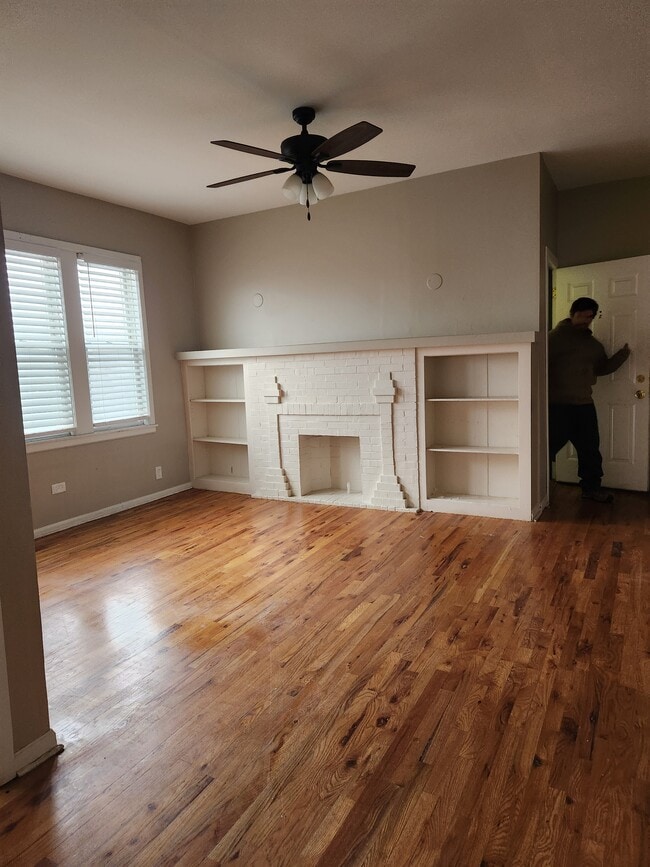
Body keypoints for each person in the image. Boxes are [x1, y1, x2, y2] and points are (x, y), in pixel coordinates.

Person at [548, 296, 630, 503]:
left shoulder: (593, 345)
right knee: (546, 447)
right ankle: (536, 488)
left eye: (590, 317)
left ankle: (591, 489)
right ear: (572, 314)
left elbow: (601, 368)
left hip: (584, 405)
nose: (586, 321)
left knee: (590, 450)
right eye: (582, 316)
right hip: (556, 405)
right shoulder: (552, 339)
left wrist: (622, 356)